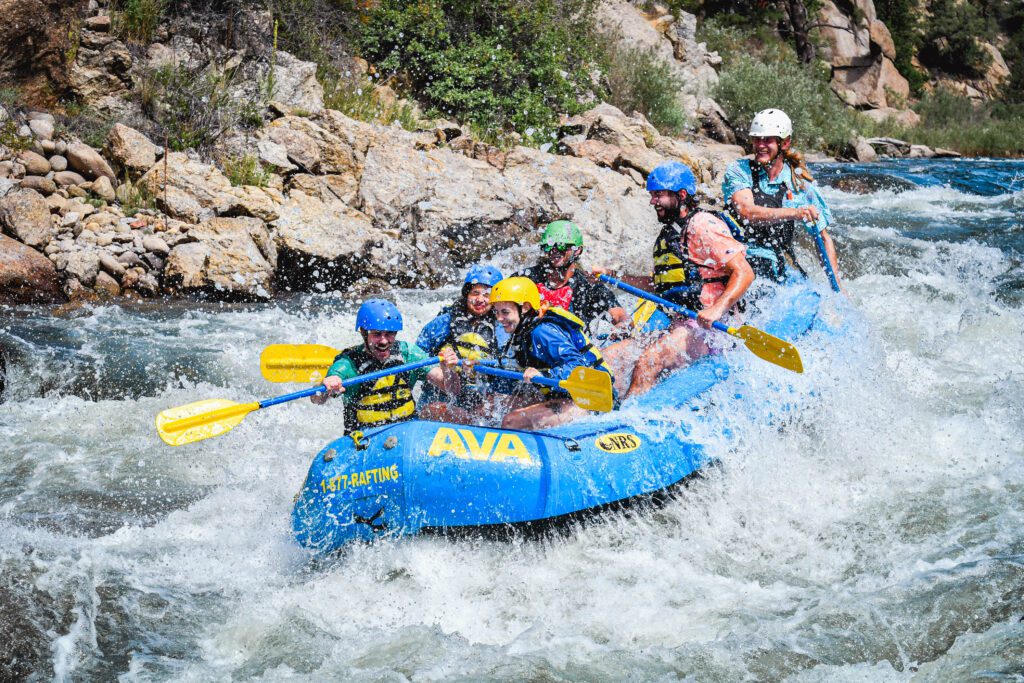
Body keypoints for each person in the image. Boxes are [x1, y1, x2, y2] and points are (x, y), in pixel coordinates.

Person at [595, 161, 755, 398]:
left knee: (649, 362)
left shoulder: (702, 225)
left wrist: (716, 309)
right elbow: (660, 285)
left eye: (658, 195)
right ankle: (596, 410)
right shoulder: (672, 232)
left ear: (681, 195)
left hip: (709, 329)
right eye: (652, 195)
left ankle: (625, 425)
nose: (652, 201)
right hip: (680, 322)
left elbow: (745, 272)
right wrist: (613, 277)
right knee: (609, 357)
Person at [723, 108, 843, 290]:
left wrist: (837, 288)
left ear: (784, 143)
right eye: (757, 139)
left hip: (776, 263)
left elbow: (823, 238)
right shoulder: (739, 170)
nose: (760, 145)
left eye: (767, 140)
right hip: (738, 258)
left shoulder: (799, 186)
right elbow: (747, 212)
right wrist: (796, 213)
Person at [311, 299, 459, 433]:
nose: (383, 341)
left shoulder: (408, 354)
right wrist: (325, 387)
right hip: (364, 438)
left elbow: (451, 389)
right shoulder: (349, 364)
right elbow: (316, 400)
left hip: (406, 433)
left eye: (389, 334)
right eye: (377, 334)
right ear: (363, 332)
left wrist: (448, 370)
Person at [488, 276, 616, 430]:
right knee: (502, 404)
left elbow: (577, 365)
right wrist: (481, 374)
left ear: (525, 307)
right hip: (567, 397)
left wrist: (544, 376)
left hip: (592, 402)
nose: (499, 318)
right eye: (496, 312)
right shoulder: (522, 333)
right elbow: (515, 382)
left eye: (505, 312)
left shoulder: (542, 331)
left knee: (511, 421)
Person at [415, 264, 505, 417]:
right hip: (442, 393)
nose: (480, 299)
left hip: (479, 397)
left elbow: (508, 363)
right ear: (466, 294)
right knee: (451, 412)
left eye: (486, 295)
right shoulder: (444, 322)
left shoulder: (502, 327)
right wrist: (438, 372)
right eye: (475, 293)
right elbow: (417, 356)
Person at [513, 220, 631, 335]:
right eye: (548, 246)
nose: (554, 250)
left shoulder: (588, 287)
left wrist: (621, 326)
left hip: (571, 351)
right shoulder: (525, 278)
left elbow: (622, 317)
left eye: (561, 245)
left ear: (577, 250)